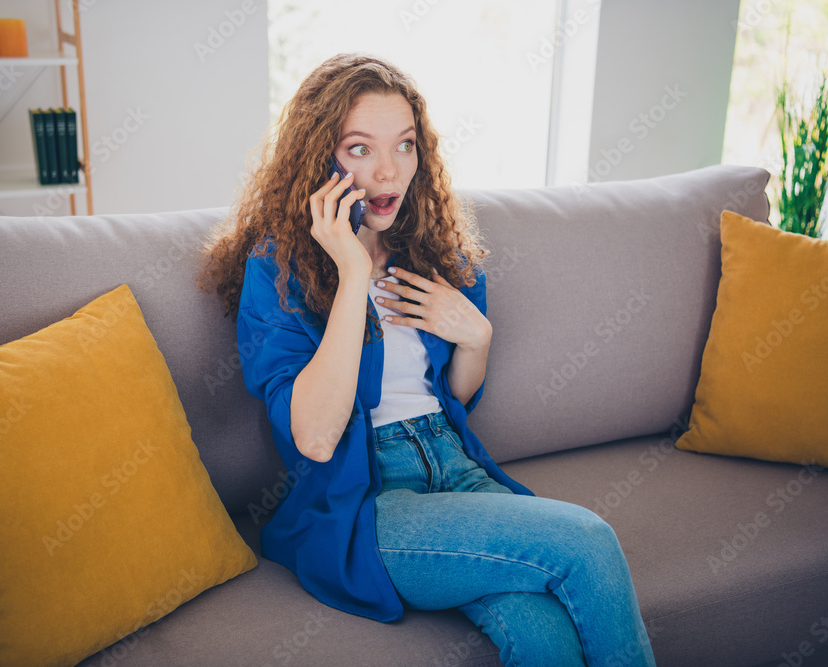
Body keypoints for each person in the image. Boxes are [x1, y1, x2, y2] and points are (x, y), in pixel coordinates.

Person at [199, 53, 655, 667]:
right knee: (589, 544)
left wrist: (477, 340)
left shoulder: (430, 251)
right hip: (370, 502)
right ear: (319, 160)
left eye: (405, 145)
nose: (389, 170)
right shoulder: (275, 272)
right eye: (359, 148)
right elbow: (313, 434)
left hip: (456, 466)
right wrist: (353, 271)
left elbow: (455, 399)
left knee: (544, 632)